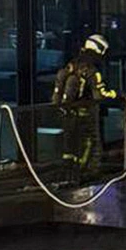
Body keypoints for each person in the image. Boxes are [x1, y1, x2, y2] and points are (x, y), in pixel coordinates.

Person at [52, 34, 117, 180]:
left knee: (71, 144)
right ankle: (88, 173)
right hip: (87, 112)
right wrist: (116, 95)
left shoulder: (72, 63)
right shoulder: (92, 69)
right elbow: (100, 95)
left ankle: (69, 172)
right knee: (92, 143)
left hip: (69, 112)